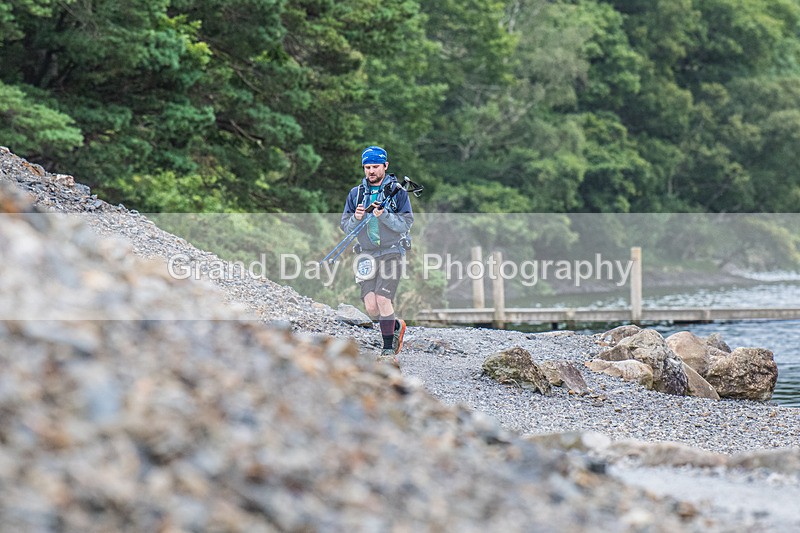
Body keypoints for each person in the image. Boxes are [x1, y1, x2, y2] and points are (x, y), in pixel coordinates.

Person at [340, 146, 413, 366]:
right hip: (365, 255)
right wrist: (356, 217)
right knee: (371, 306)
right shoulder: (356, 194)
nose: (371, 171)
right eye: (367, 167)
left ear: (385, 166)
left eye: (375, 166)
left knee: (383, 299)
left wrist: (385, 216)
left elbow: (406, 223)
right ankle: (396, 326)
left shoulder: (398, 192)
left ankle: (388, 349)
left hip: (392, 251)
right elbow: (345, 225)